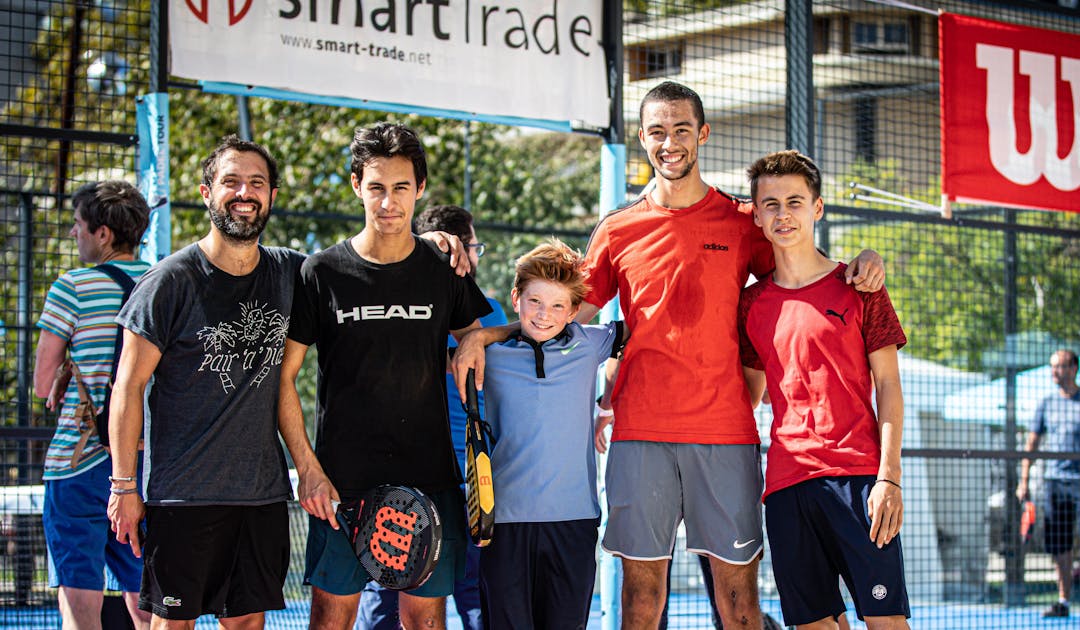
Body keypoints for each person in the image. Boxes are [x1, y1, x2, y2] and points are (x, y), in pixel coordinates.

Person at [454, 80, 885, 629]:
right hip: (640, 437)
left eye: (682, 129)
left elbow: (801, 263)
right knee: (640, 603)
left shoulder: (740, 220)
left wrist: (862, 260)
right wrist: (490, 335)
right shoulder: (618, 230)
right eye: (658, 131)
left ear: (702, 134)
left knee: (739, 605)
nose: (670, 142)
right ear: (642, 138)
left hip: (725, 435)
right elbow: (559, 315)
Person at [278, 122, 492, 630]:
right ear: (357, 186)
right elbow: (284, 378)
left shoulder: (443, 269)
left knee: (425, 625)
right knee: (331, 621)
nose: (388, 202)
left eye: (401, 188)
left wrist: (479, 338)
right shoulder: (321, 272)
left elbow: (476, 336)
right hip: (341, 485)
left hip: (429, 479)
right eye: (376, 188)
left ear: (419, 190)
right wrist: (308, 467)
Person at [107, 135, 306, 628]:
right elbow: (127, 388)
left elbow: (361, 266)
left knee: (246, 623)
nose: (245, 192)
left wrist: (432, 241)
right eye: (231, 181)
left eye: (257, 182)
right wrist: (123, 486)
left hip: (260, 496)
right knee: (172, 623)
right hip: (181, 498)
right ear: (205, 192)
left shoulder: (292, 273)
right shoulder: (168, 282)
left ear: (272, 196)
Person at [738, 150, 910, 630]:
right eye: (770, 204)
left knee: (886, 623)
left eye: (795, 201)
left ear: (817, 208)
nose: (782, 214)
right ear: (756, 215)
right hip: (787, 486)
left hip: (857, 480)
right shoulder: (750, 303)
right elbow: (749, 397)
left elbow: (890, 387)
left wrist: (889, 477)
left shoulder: (860, 286)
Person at [357, 204, 506, 630]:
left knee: (385, 584)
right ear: (463, 250)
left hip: (425, 477)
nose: (474, 254)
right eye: (473, 245)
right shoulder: (487, 312)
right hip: (457, 478)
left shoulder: (394, 303)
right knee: (472, 592)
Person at [470, 239, 628, 628]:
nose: (544, 315)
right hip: (504, 524)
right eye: (535, 301)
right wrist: (484, 336)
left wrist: (607, 405)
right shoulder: (487, 356)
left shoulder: (591, 343)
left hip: (573, 523)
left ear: (575, 311)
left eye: (558, 305)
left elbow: (648, 326)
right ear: (516, 298)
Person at [34, 180, 152, 630]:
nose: (73, 235)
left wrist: (69, 364)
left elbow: (43, 382)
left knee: (79, 604)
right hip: (143, 462)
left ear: (102, 234)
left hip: (78, 461)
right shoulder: (165, 280)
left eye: (78, 226)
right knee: (148, 603)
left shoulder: (73, 287)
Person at [1017, 349, 1080, 619]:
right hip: (1055, 483)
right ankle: (1063, 602)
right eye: (1052, 367)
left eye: (1060, 366)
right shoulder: (1046, 404)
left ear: (1073, 369)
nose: (1054, 371)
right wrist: (1024, 480)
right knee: (1060, 546)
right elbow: (1031, 445)